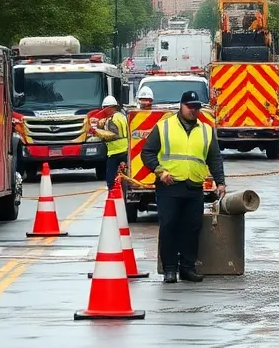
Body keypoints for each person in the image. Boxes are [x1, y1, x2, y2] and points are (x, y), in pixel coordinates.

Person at [140, 90, 227, 284]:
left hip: (194, 187)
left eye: (196, 107)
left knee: (192, 228)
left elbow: (214, 158)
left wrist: (220, 181)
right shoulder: (164, 127)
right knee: (169, 226)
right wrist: (160, 171)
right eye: (190, 107)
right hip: (169, 187)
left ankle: (188, 268)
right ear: (181, 105)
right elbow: (147, 153)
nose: (193, 111)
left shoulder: (206, 130)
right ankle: (170, 269)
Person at [90, 95, 128, 190]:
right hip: (126, 150)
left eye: (104, 108)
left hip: (115, 152)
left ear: (109, 108)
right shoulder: (121, 116)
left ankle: (112, 194)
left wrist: (96, 132)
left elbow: (111, 134)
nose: (102, 111)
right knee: (127, 175)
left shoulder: (112, 119)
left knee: (110, 179)